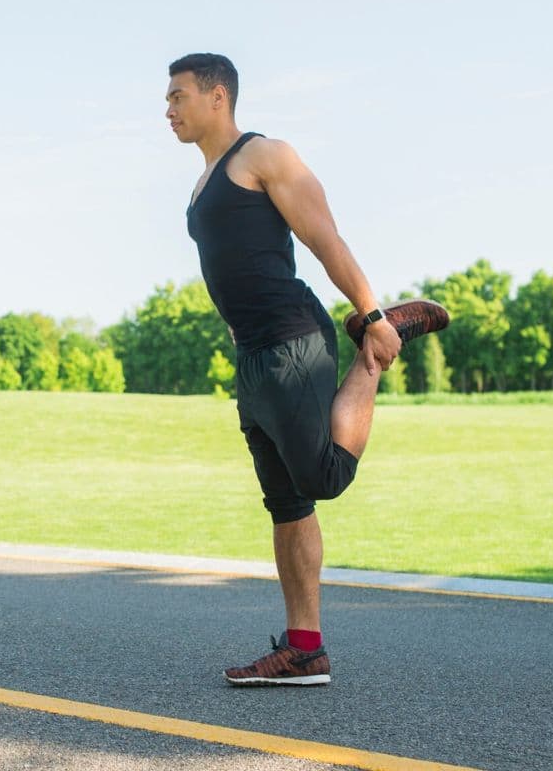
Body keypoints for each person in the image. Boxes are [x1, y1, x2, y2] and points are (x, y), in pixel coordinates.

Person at [165, 52, 448, 686]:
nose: (169, 108)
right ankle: (305, 650)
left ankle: (375, 351)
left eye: (179, 95)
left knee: (323, 478)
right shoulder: (203, 180)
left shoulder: (266, 156)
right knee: (286, 506)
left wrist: (371, 313)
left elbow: (325, 238)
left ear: (217, 97)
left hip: (294, 339)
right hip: (252, 358)